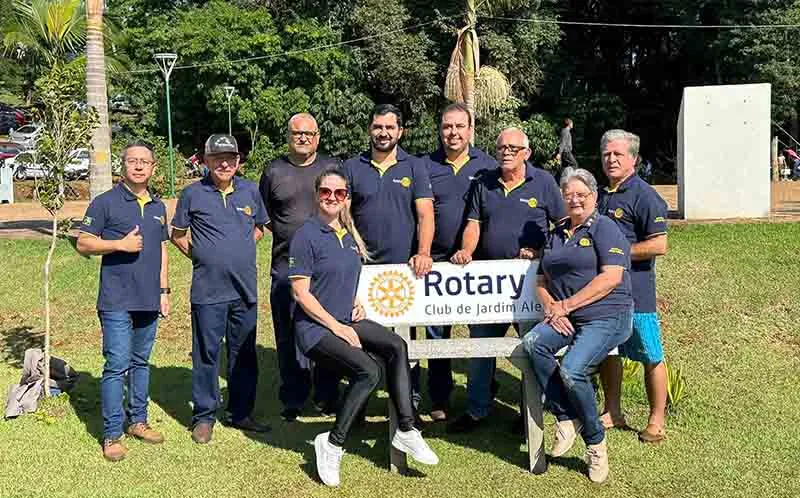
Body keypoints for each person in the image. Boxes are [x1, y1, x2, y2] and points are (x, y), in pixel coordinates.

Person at [289, 168, 439, 487]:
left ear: (347, 198)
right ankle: (331, 444)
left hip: (346, 318)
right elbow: (301, 293)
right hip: (315, 330)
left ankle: (406, 430)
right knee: (368, 372)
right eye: (326, 192)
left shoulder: (348, 233)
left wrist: (355, 299)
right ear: (317, 195)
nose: (332, 198)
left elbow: (345, 275)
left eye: (339, 193)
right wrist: (337, 328)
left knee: (396, 346)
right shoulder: (306, 235)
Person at [447, 127, 566, 433]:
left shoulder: (543, 182)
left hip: (530, 282)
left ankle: (531, 412)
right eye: (501, 147)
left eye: (514, 148)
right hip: (490, 282)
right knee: (481, 348)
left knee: (531, 347)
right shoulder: (484, 182)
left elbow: (563, 225)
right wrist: (466, 251)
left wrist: (541, 250)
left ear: (527, 153)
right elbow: (474, 223)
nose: (507, 152)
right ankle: (477, 410)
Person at [522, 167, 633, 483]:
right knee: (533, 343)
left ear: (594, 197)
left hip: (608, 316)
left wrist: (566, 306)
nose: (574, 200)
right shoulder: (556, 233)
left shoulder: (605, 228)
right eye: (568, 194)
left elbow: (610, 278)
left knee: (572, 369)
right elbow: (541, 279)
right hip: (566, 316)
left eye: (581, 194)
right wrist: (550, 306)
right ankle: (566, 416)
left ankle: (596, 442)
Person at [171, 134, 271, 444]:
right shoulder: (192, 194)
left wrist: (239, 248)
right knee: (207, 354)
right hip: (208, 291)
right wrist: (202, 255)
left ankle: (240, 413)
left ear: (239, 161)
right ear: (206, 161)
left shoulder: (251, 191)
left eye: (230, 157)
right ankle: (204, 416)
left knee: (244, 354)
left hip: (244, 290)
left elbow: (260, 228)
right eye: (217, 158)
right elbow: (178, 234)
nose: (224, 163)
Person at [76, 141, 170, 461]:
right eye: (133, 161)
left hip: (149, 299)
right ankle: (112, 433)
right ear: (123, 166)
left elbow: (162, 252)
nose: (139, 166)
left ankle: (138, 421)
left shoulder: (158, 207)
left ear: (154, 167)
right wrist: (119, 245)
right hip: (116, 299)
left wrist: (164, 292)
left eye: (145, 161)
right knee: (117, 365)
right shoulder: (105, 203)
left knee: (141, 363)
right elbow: (83, 243)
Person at [342, 104, 435, 411]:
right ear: (370, 130)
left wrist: (423, 252)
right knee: (360, 335)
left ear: (400, 132)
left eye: (389, 127)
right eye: (378, 127)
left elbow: (425, 214)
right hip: (363, 270)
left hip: (404, 270)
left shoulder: (414, 166)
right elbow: (345, 213)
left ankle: (411, 396)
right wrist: (351, 248)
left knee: (405, 337)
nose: (383, 133)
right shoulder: (353, 167)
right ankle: (361, 400)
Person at [259, 113, 341, 422]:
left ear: (318, 137)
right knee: (288, 332)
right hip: (286, 267)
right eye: (297, 133)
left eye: (309, 133)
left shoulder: (332, 168)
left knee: (327, 329)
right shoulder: (273, 170)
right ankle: (293, 395)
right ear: (289, 136)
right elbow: (265, 214)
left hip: (327, 268)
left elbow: (344, 207)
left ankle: (327, 394)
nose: (303, 138)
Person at [420, 103, 495, 421]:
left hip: (478, 263)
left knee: (482, 332)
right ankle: (439, 397)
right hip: (436, 263)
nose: (453, 132)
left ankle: (484, 392)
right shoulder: (424, 165)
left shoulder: (488, 165)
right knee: (437, 333)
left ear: (470, 129)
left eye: (459, 126)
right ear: (440, 129)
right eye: (447, 126)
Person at [596, 129, 669, 444]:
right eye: (606, 154)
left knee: (650, 353)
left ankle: (657, 420)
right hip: (602, 292)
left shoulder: (645, 196)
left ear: (634, 159)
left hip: (636, 291)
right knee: (608, 350)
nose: (611, 159)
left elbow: (659, 245)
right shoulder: (598, 194)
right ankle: (612, 410)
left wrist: (618, 254)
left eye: (618, 154)